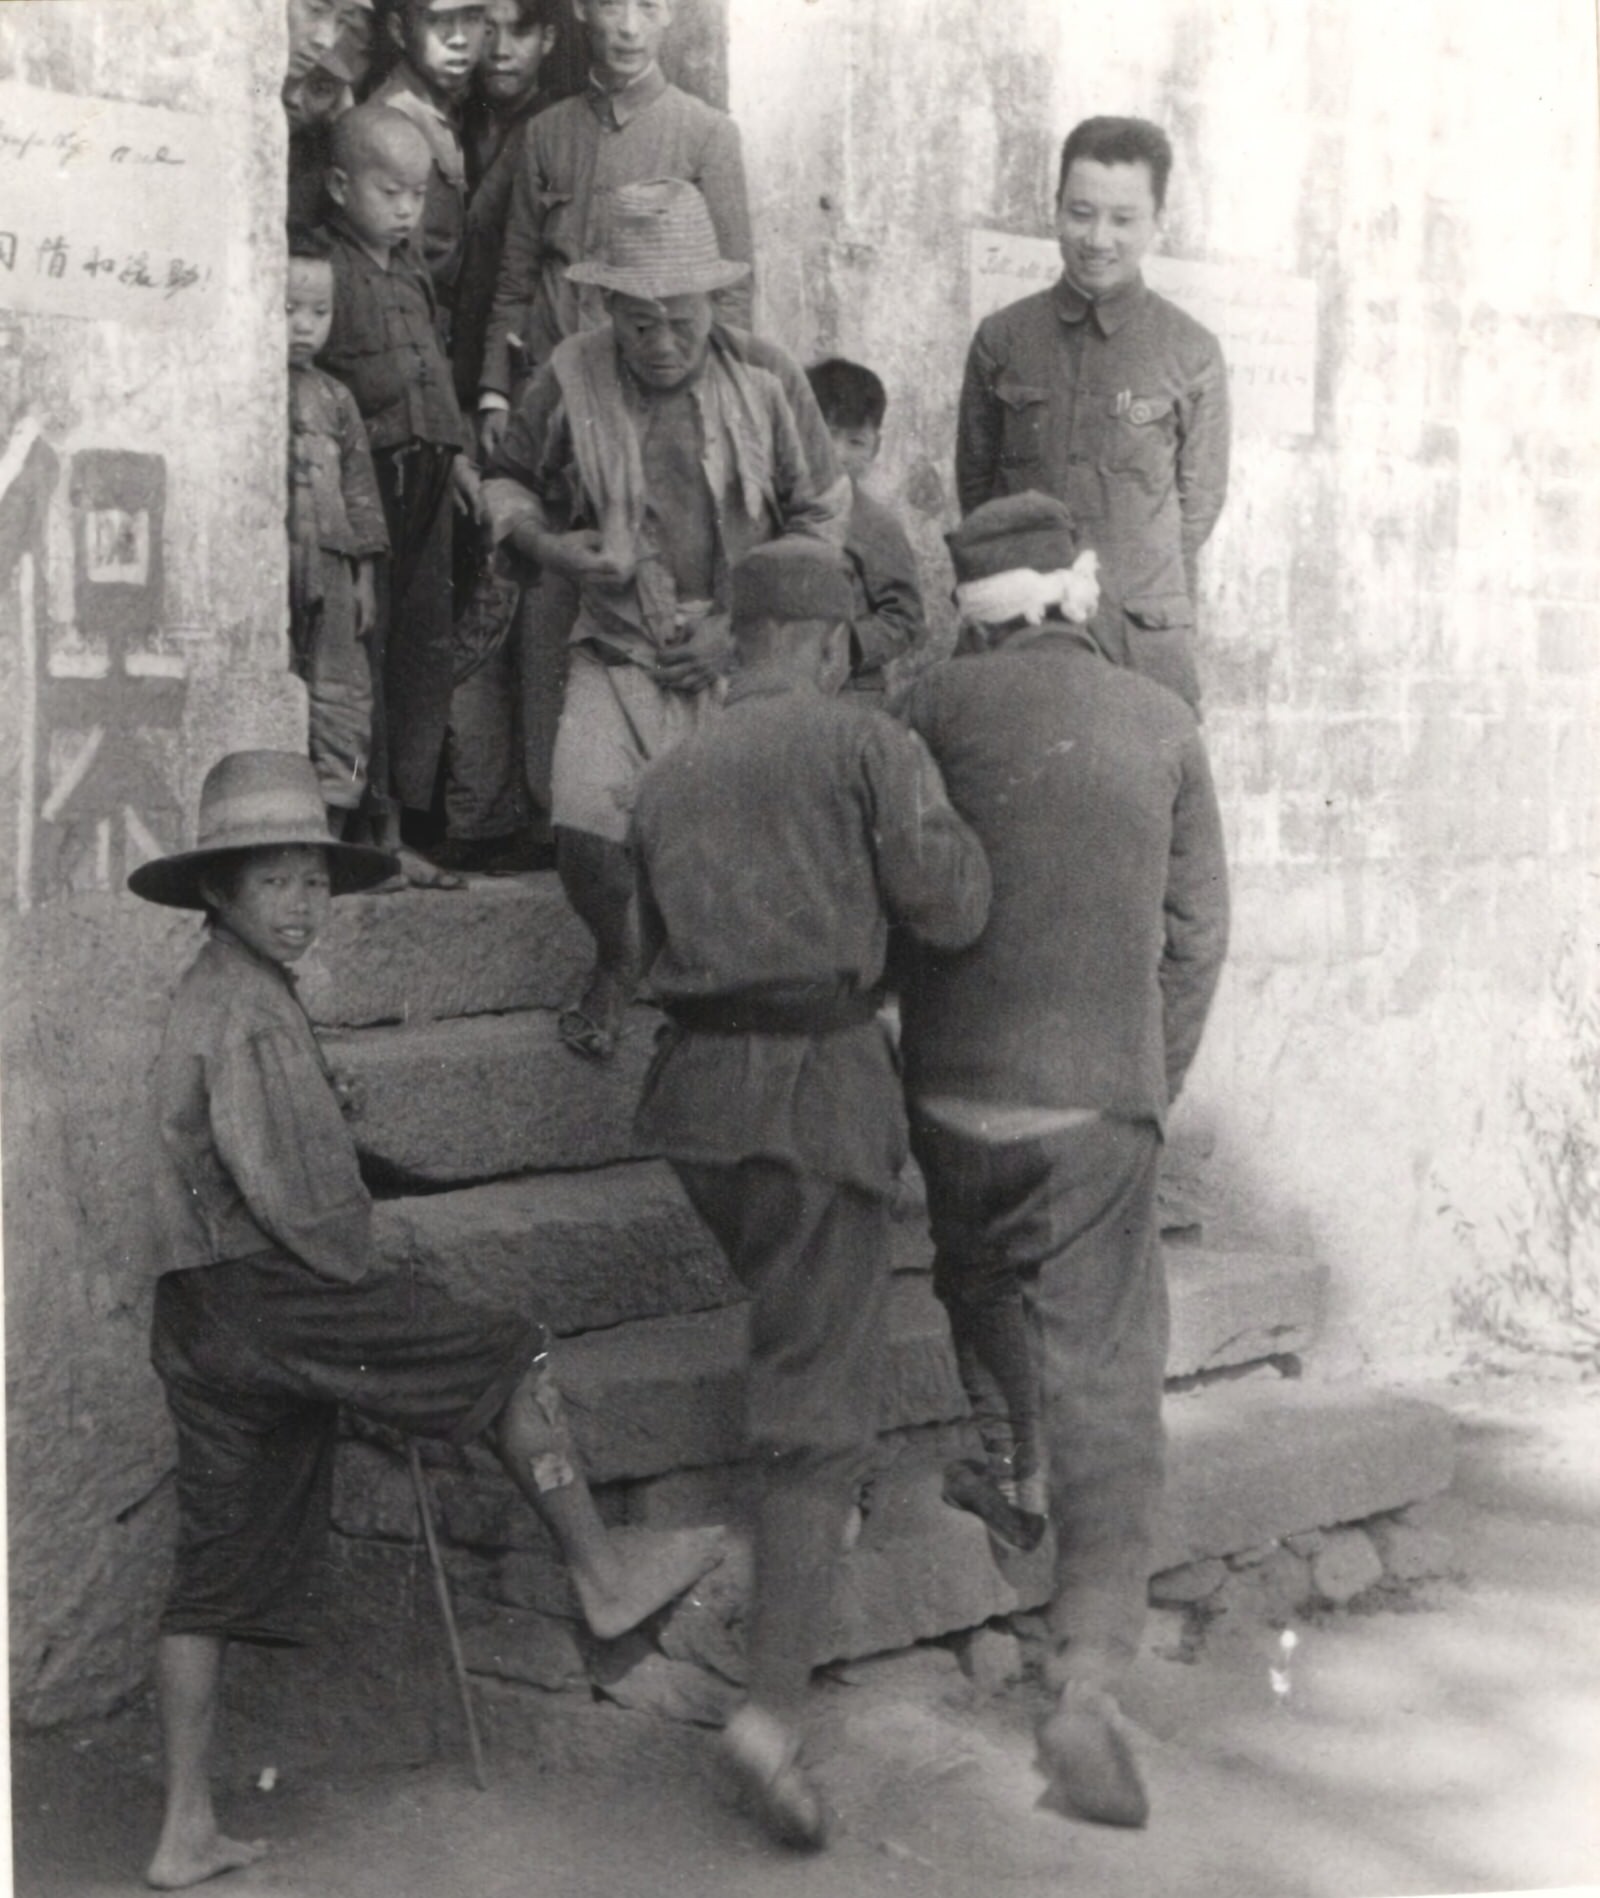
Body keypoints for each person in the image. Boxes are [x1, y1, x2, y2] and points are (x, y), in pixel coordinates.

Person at [131, 750, 725, 1892]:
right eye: (275, 884)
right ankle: (601, 1574)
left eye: (314, 881)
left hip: (195, 1310)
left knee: (206, 1573)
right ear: (218, 892)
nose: (302, 906)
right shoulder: (248, 1014)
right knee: (508, 1349)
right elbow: (308, 1208)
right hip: (271, 1295)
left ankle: (183, 1829)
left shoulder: (223, 990)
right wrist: (369, 1267)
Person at [630, 541, 991, 1850]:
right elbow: (951, 905)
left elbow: (642, 944)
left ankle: (798, 1544)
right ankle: (771, 1714)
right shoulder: (865, 742)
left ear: (740, 641)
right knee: (812, 1415)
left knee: (794, 1323)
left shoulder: (666, 771)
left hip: (697, 1108)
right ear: (834, 644)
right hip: (813, 1099)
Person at [897, 492, 1229, 1830]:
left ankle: (1009, 1456)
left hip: (950, 1090)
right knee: (1110, 1383)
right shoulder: (1164, 721)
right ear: (1082, 593)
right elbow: (1199, 934)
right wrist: (1150, 1079)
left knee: (972, 1271)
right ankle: (1083, 1683)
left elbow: (896, 892)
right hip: (1096, 1104)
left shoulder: (922, 710)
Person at [482, 178, 848, 1061]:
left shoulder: (767, 377)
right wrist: (553, 549)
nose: (661, 342)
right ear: (606, 304)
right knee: (581, 828)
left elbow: (823, 514)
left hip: (745, 653)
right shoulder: (569, 374)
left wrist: (739, 624)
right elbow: (508, 484)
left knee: (741, 844)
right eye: (638, 321)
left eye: (681, 318)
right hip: (614, 640)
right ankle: (622, 955)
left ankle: (718, 1005)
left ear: (712, 300)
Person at [467, 0, 757, 884]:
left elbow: (734, 293)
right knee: (555, 596)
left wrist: (716, 404)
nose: (629, 24)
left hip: (662, 396)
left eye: (651, 6)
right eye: (613, 4)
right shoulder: (550, 132)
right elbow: (516, 271)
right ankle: (556, 815)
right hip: (559, 401)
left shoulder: (707, 133)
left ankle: (655, 825)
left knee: (653, 593)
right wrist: (491, 384)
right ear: (584, 12)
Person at [955, 116, 1229, 713]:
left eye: (1123, 219)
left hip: (1138, 644)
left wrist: (1125, 577)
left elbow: (1198, 506)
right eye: (1080, 213)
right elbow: (977, 489)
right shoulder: (1002, 339)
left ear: (1158, 221)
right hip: (1020, 632)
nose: (1098, 238)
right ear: (1054, 210)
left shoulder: (1192, 352)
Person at [317, 104, 483, 885]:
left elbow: (432, 372)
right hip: (368, 488)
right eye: (391, 192)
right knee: (364, 653)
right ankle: (360, 833)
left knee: (420, 650)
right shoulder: (321, 267)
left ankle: (396, 824)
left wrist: (460, 465)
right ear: (340, 185)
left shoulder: (412, 266)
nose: (408, 209)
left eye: (418, 194)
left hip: (429, 477)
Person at [432, 0, 565, 876]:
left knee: (519, 594)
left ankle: (516, 811)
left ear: (550, 38)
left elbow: (516, 278)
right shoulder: (455, 122)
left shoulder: (548, 138)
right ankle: (476, 808)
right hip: (455, 388)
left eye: (518, 30)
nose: (499, 47)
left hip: (515, 400)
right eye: (489, 28)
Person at [286, 230, 389, 827]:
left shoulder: (336, 399)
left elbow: (359, 493)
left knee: (345, 700)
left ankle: (340, 812)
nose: (305, 326)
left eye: (319, 312)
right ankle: (285, 820)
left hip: (332, 563)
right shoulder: (250, 391)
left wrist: (364, 577)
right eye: (289, 310)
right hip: (276, 566)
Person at [804, 357, 927, 698]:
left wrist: (853, 645)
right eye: (827, 435)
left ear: (876, 447)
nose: (837, 453)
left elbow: (906, 619)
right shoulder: (767, 514)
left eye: (855, 442)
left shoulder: (876, 526)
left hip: (851, 690)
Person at [369, 0, 491, 331]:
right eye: (438, 21)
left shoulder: (452, 106)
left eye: (472, 17)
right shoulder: (392, 120)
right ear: (399, 30)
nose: (459, 38)